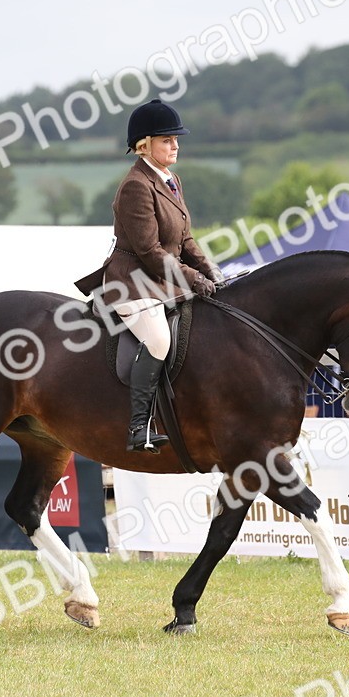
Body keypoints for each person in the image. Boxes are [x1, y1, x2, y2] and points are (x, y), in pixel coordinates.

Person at [74, 98, 223, 452]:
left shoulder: (171, 180)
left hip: (163, 281)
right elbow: (151, 252)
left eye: (176, 139)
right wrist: (194, 279)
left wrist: (211, 271)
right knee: (158, 340)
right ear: (144, 145)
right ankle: (138, 427)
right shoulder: (136, 186)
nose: (175, 145)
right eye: (166, 140)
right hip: (133, 283)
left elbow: (185, 239)